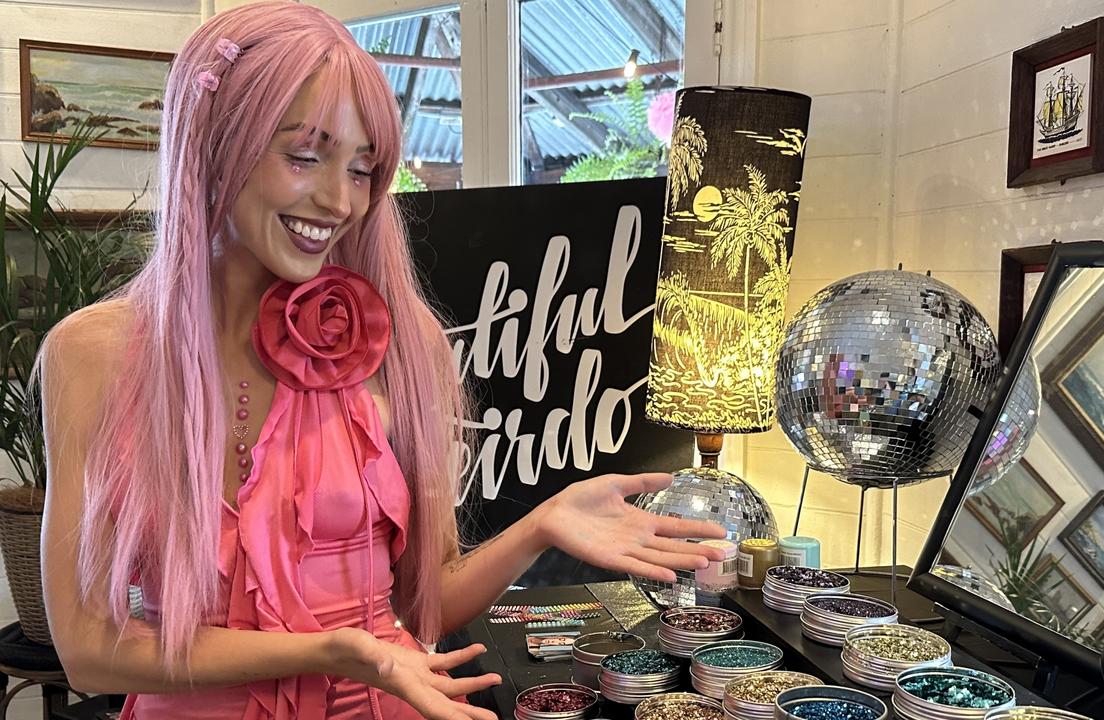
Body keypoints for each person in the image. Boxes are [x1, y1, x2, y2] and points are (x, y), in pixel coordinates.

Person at [38, 3, 725, 719]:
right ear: (213, 144)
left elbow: (424, 602)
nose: (340, 201)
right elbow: (87, 647)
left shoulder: (399, 343)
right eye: (303, 156)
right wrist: (333, 649)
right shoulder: (97, 354)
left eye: (364, 170)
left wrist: (540, 525)